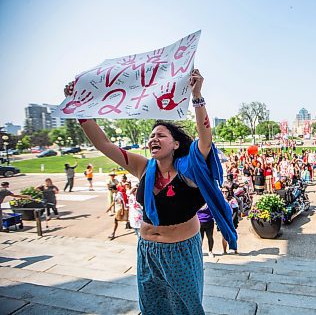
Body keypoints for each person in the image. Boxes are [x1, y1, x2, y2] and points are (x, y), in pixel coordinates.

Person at [70, 69, 236, 314]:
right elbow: (103, 144)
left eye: (161, 135)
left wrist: (197, 96)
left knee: (186, 309)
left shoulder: (189, 170)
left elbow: (205, 140)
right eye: (151, 136)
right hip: (147, 250)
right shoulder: (142, 167)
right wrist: (80, 110)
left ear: (176, 144)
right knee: (152, 309)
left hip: (180, 252)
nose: (153, 139)